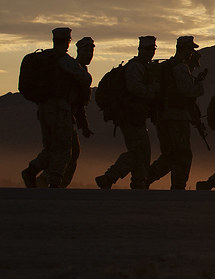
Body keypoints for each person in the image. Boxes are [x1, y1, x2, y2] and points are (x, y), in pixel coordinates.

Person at [22, 27, 92, 188]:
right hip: (60, 109)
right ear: (68, 42)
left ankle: (32, 171)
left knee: (52, 146)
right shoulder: (63, 60)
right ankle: (54, 182)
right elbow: (85, 78)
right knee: (63, 148)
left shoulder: (45, 58)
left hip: (44, 108)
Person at [96, 36, 160, 189]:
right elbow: (134, 87)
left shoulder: (142, 66)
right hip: (130, 116)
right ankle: (110, 177)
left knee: (142, 152)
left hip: (135, 115)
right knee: (138, 151)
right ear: (140, 50)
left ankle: (138, 182)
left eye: (152, 49)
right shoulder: (136, 67)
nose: (150, 52)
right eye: (147, 49)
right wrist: (152, 90)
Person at [147, 35, 205, 189]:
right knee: (183, 154)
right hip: (177, 116)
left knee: (170, 154)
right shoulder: (180, 67)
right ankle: (178, 187)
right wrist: (199, 87)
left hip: (163, 116)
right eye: (190, 49)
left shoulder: (167, 66)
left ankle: (146, 177)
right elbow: (187, 91)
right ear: (185, 49)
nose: (191, 53)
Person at [61, 36, 96, 187]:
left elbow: (79, 104)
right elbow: (73, 99)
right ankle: (48, 181)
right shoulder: (73, 71)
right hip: (61, 115)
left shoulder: (81, 71)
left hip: (68, 117)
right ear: (79, 51)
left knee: (70, 152)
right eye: (86, 51)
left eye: (91, 51)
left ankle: (55, 184)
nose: (89, 54)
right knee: (64, 152)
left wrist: (84, 126)